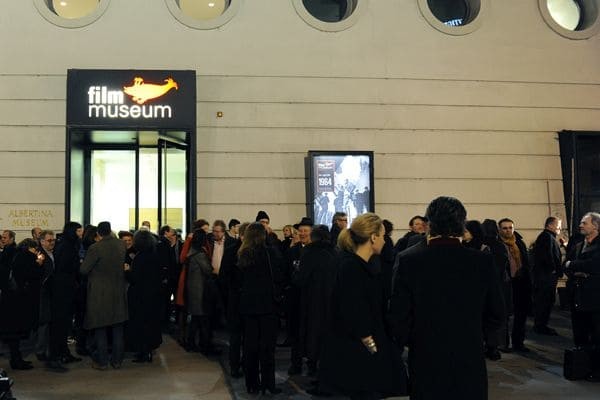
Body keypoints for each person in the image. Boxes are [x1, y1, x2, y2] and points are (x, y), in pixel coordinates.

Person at [389, 197, 505, 400]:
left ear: (429, 224)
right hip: (469, 353)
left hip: (425, 355)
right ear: (462, 224)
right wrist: (478, 335)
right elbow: (497, 312)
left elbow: (398, 315)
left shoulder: (408, 260)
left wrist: (413, 339)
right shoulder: (481, 262)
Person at [320, 213, 407, 400]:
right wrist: (374, 348)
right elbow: (355, 311)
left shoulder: (358, 265)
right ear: (373, 237)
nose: (384, 240)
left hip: (361, 347)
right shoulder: (352, 267)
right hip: (359, 351)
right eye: (382, 236)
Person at [238, 222, 283, 395]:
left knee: (250, 347)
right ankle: (268, 384)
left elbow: (235, 281)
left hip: (248, 306)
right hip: (268, 305)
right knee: (267, 348)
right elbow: (279, 275)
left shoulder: (242, 254)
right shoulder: (270, 253)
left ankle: (252, 384)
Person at [80, 221, 128, 370]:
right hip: (118, 291)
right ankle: (117, 361)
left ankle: (102, 362)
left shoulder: (95, 248)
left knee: (100, 328)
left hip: (99, 293)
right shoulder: (121, 245)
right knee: (118, 328)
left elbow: (84, 270)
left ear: (98, 233)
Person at [293, 225, 337, 378]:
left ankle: (314, 370)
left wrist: (295, 274)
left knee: (313, 336)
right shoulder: (335, 253)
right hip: (331, 301)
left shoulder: (309, 253)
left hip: (311, 301)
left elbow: (301, 279)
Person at [564, 212, 600, 381]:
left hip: (595, 300)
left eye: (584, 223)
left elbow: (594, 265)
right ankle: (582, 368)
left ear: (596, 226)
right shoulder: (578, 245)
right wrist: (577, 270)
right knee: (580, 335)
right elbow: (565, 265)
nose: (580, 225)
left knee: (597, 336)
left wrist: (573, 265)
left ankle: (597, 370)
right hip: (577, 298)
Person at [0, 238, 44, 370]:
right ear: (30, 248)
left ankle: (16, 358)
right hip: (20, 299)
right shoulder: (27, 257)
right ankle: (16, 360)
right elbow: (33, 276)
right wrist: (39, 264)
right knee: (16, 331)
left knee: (12, 331)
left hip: (8, 297)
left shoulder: (10, 255)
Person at [47, 222, 83, 372]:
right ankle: (54, 357)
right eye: (78, 231)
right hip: (63, 290)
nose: (81, 234)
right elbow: (66, 267)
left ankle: (63, 353)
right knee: (59, 325)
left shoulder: (66, 245)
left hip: (64, 289)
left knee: (64, 324)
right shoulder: (67, 247)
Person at [125, 230, 162, 363]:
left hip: (140, 296)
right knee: (150, 323)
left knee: (140, 324)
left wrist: (127, 271)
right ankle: (148, 351)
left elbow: (135, 278)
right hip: (153, 295)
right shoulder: (154, 255)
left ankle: (143, 352)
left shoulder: (139, 257)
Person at [498, 218, 532, 352]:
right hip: (506, 283)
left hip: (520, 282)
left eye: (510, 228)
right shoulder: (498, 245)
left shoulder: (519, 243)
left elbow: (526, 262)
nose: (508, 230)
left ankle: (518, 342)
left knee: (521, 314)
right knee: (504, 314)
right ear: (499, 230)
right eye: (505, 228)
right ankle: (504, 343)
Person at [186, 229, 220, 355]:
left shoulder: (192, 252)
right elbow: (208, 270)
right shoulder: (199, 254)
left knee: (196, 319)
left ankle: (191, 343)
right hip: (199, 291)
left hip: (194, 289)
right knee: (203, 319)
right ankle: (205, 345)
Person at [532, 217, 563, 336]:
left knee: (545, 302)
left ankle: (541, 325)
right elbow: (548, 256)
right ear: (550, 225)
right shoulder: (547, 237)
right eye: (558, 225)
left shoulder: (547, 237)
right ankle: (541, 326)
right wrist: (554, 270)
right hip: (546, 277)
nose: (560, 228)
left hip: (545, 276)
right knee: (544, 302)